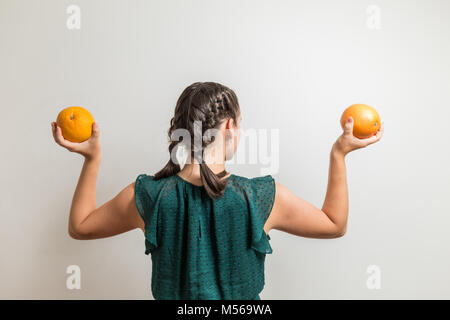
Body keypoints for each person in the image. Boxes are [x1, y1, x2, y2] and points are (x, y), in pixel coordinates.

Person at [51, 81, 384, 300]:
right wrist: (338, 155)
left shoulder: (150, 195)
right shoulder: (261, 197)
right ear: (229, 126)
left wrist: (91, 159)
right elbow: (334, 224)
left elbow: (80, 227)